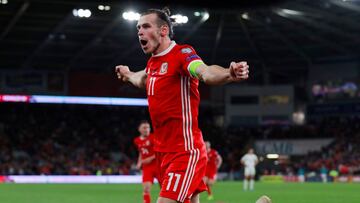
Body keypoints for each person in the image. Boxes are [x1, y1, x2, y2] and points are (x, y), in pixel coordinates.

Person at [115, 7, 250, 203]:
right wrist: (127, 75)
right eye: (138, 28)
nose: (140, 32)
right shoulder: (153, 63)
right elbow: (142, 79)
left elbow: (204, 71)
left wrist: (228, 73)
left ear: (163, 31)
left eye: (145, 26)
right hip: (162, 152)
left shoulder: (182, 54)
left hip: (184, 151)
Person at [133, 120, 158, 203]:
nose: (146, 129)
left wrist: (149, 158)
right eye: (144, 127)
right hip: (147, 167)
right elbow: (141, 152)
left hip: (158, 165)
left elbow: (159, 151)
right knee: (146, 189)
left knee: (166, 190)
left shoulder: (154, 137)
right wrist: (139, 163)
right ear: (139, 129)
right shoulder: (136, 140)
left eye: (148, 127)